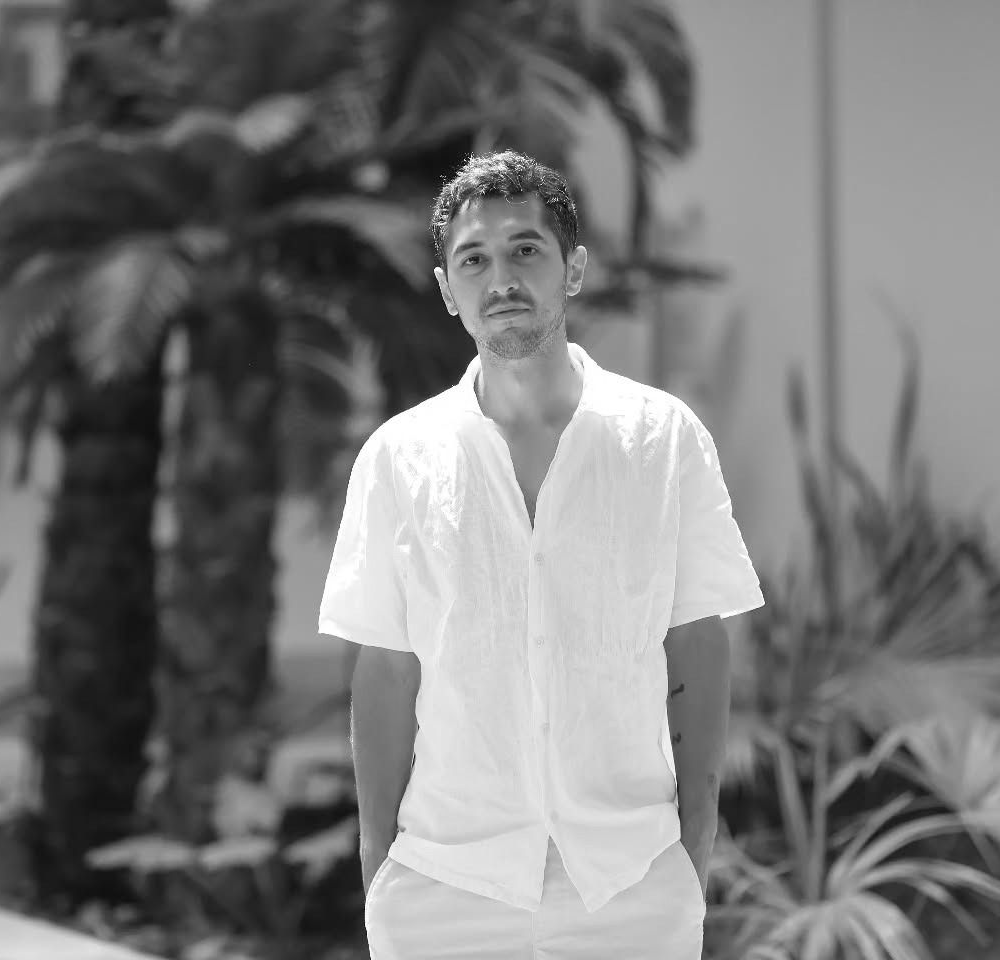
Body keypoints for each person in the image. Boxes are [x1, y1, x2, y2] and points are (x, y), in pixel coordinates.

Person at [317, 149, 764, 959]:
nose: (502, 279)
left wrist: (691, 848)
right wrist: (380, 871)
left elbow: (697, 642)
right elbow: (385, 669)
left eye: (526, 249)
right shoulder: (398, 458)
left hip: (630, 884)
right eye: (474, 260)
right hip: (444, 889)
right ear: (446, 289)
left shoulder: (663, 440)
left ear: (574, 269)